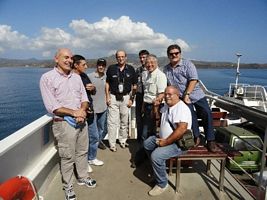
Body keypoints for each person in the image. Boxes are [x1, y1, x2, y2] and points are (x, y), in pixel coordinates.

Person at [40, 49, 96, 200]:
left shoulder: (76, 77)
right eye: (65, 57)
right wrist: (74, 113)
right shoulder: (47, 78)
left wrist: (82, 111)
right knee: (67, 156)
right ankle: (68, 185)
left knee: (82, 151)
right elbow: (53, 107)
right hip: (64, 123)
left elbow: (84, 98)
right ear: (56, 59)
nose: (69, 60)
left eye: (71, 58)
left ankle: (83, 177)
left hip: (81, 121)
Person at [163, 44, 219, 152]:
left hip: (195, 94)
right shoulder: (166, 69)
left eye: (176, 53)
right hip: (181, 98)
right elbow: (167, 85)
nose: (174, 55)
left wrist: (187, 94)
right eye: (171, 54)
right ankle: (196, 137)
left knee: (206, 112)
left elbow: (193, 80)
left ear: (180, 54)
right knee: (189, 113)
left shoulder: (188, 64)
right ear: (168, 55)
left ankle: (211, 140)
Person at [144, 86, 192, 196]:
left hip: (178, 143)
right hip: (164, 138)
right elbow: (156, 120)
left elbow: (181, 129)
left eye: (170, 94)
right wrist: (155, 107)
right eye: (165, 94)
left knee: (156, 156)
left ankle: (162, 184)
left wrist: (165, 142)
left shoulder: (181, 108)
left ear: (177, 95)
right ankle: (159, 173)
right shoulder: (166, 106)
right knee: (147, 144)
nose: (166, 96)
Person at [132, 54, 167, 167]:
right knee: (148, 133)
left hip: (155, 108)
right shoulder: (146, 75)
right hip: (146, 107)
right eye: (147, 63)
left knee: (146, 134)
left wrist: (155, 108)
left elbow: (161, 94)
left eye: (152, 63)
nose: (149, 65)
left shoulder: (160, 76)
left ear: (157, 63)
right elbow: (146, 93)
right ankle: (149, 157)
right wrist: (142, 106)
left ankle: (140, 158)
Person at [72, 55, 104, 173]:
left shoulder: (84, 76)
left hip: (90, 112)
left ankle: (91, 158)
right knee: (82, 142)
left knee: (94, 137)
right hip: (80, 115)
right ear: (76, 65)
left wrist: (92, 88)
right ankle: (83, 163)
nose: (86, 66)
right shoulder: (70, 78)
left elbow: (93, 92)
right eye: (83, 65)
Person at [105, 50, 137, 152]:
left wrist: (132, 99)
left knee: (124, 120)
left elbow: (135, 86)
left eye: (123, 56)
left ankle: (123, 140)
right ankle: (112, 143)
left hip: (126, 97)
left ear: (126, 57)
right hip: (113, 97)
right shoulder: (111, 69)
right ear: (116, 58)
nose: (121, 58)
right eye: (119, 57)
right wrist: (107, 97)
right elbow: (107, 84)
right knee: (112, 122)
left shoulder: (131, 69)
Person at [88, 58, 108, 150]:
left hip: (103, 107)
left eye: (103, 65)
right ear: (96, 66)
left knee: (102, 128)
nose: (101, 67)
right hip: (93, 108)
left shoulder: (106, 76)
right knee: (93, 130)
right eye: (99, 65)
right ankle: (92, 145)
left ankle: (99, 141)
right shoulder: (90, 76)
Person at [135, 50, 149, 143]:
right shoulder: (138, 70)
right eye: (140, 57)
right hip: (139, 96)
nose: (142, 59)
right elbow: (135, 83)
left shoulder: (151, 69)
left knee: (147, 120)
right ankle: (139, 139)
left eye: (144, 57)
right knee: (139, 118)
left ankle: (147, 139)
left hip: (148, 98)